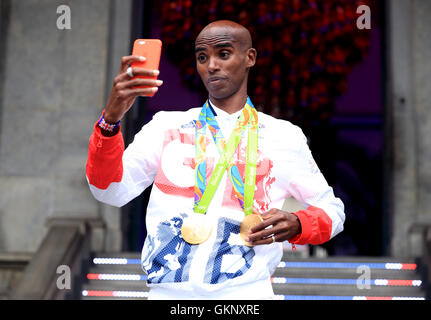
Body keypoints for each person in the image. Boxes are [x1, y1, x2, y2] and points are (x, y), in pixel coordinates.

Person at [86, 20, 345, 300]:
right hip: (168, 296)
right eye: (202, 57)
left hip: (247, 297)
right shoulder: (165, 126)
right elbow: (109, 191)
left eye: (223, 54)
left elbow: (332, 211)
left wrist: (299, 223)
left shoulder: (283, 136)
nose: (211, 65)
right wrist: (110, 122)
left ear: (250, 58)